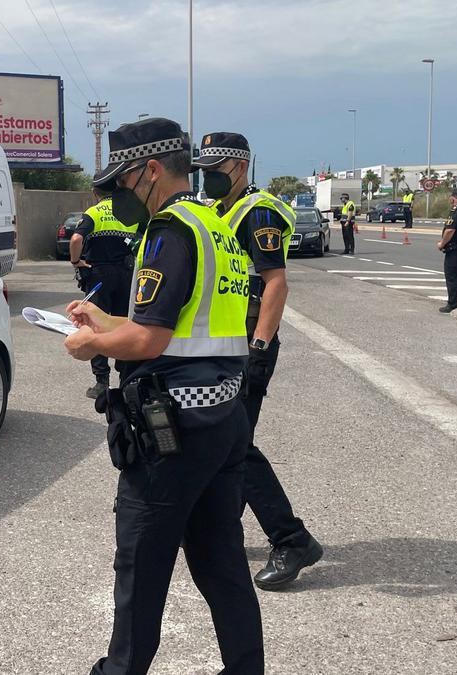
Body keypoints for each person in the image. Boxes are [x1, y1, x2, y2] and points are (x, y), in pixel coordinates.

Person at [64, 117, 263, 675]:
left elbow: (148, 338)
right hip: (224, 416)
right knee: (222, 564)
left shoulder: (168, 231)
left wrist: (91, 344)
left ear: (150, 170)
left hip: (173, 430)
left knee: (140, 570)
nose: (119, 195)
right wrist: (103, 320)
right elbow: (180, 322)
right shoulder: (215, 225)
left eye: (124, 182)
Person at [196, 132, 323, 590]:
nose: (207, 176)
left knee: (235, 445)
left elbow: (275, 283)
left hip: (250, 343)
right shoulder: (217, 210)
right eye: (203, 168)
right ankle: (223, 527)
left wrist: (259, 349)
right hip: (224, 341)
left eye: (216, 168)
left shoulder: (258, 211)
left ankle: (291, 540)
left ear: (241, 167)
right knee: (223, 442)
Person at [70, 188, 139, 399]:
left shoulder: (95, 212)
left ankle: (102, 382)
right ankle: (127, 378)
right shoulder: (129, 213)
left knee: (95, 324)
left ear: (94, 192)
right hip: (126, 274)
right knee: (122, 324)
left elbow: (75, 240)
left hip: (99, 275)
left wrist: (75, 261)